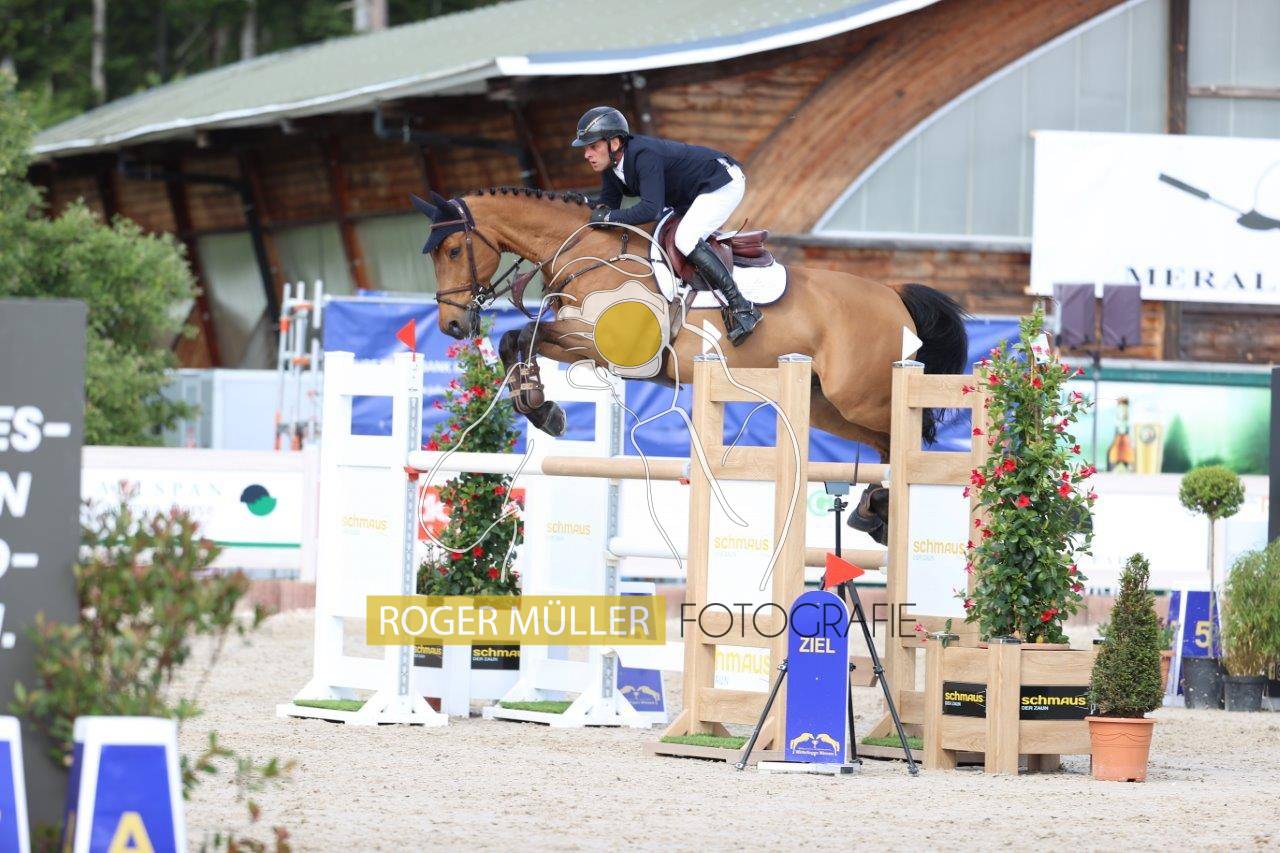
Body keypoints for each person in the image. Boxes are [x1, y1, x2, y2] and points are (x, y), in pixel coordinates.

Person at [571, 106, 763, 345]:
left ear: (615, 143)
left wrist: (608, 218)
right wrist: (584, 208)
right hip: (691, 195)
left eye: (593, 146)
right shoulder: (611, 167)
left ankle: (742, 307)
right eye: (586, 148)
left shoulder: (644, 156)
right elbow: (607, 207)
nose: (587, 154)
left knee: (685, 239)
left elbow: (650, 209)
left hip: (721, 183)